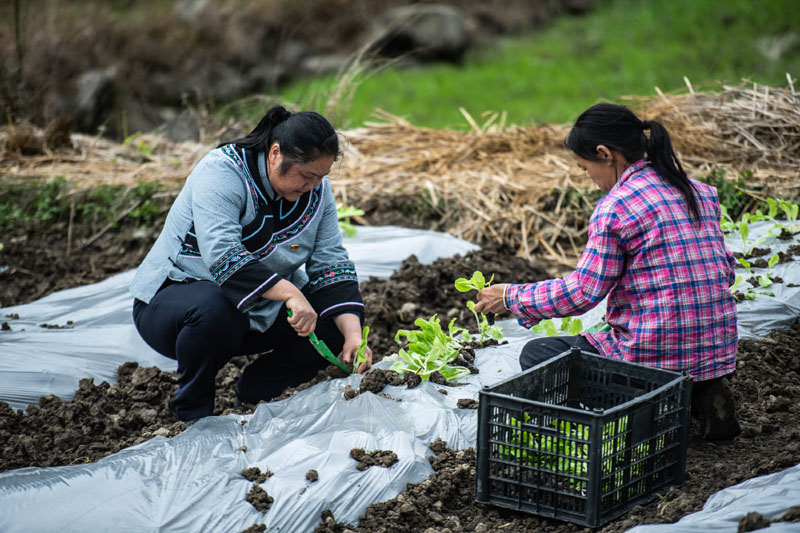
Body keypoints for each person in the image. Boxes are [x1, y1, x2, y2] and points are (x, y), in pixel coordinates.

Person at [474, 103, 740, 441]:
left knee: (540, 354)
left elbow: (582, 293)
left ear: (604, 154)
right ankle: (705, 389)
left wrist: (511, 297)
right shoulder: (699, 191)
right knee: (615, 330)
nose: (590, 179)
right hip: (716, 352)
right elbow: (726, 270)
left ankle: (644, 408)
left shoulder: (616, 207)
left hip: (655, 358)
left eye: (585, 169)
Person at [130, 105, 372, 423]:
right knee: (216, 308)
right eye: (306, 175)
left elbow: (330, 261)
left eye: (321, 177)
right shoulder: (222, 173)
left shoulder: (316, 192)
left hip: (254, 310)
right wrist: (289, 292)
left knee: (334, 323)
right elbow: (223, 257)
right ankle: (193, 410)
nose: (313, 186)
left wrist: (354, 335)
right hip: (174, 306)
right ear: (275, 154)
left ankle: (257, 390)